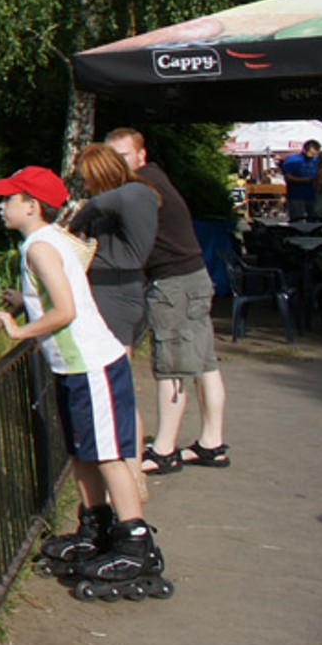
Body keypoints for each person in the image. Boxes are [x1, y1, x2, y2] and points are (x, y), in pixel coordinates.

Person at [0, 165, 168, 598]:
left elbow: (64, 309)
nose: (1, 204)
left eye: (8, 198)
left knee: (107, 454)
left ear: (31, 206)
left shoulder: (40, 248)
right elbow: (56, 293)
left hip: (92, 365)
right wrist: (24, 301)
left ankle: (135, 541)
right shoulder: (46, 241)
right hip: (76, 367)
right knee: (84, 450)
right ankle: (95, 525)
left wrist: (19, 330)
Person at [105, 127, 230, 472]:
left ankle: (163, 450)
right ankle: (211, 442)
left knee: (171, 368)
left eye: (124, 156)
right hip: (193, 278)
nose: (117, 164)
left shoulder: (138, 188)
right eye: (111, 157)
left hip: (174, 284)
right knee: (204, 365)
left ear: (140, 156)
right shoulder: (152, 179)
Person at [67, 142, 160, 495]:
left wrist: (72, 225)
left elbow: (95, 205)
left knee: (117, 392)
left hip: (117, 295)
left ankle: (130, 476)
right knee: (116, 390)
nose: (87, 186)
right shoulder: (129, 196)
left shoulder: (131, 194)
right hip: (114, 292)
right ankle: (129, 474)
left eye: (88, 179)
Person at [281, 139, 321, 221]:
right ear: (304, 150)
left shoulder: (317, 160)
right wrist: (307, 180)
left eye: (315, 154)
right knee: (297, 220)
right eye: (311, 153)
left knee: (316, 220)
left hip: (314, 196)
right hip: (296, 196)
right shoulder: (292, 160)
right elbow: (288, 177)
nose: (313, 156)